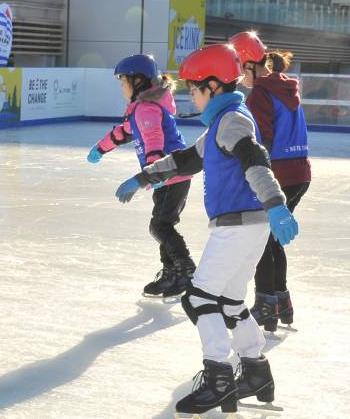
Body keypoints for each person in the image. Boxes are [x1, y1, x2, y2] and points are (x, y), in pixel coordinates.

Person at [115, 44, 299, 416]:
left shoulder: (232, 120)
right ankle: (256, 372)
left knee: (198, 298)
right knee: (230, 303)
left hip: (236, 225)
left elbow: (255, 160)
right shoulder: (226, 119)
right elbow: (187, 159)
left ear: (213, 87)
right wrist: (143, 177)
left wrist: (277, 203)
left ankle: (218, 378)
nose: (191, 98)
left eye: (194, 90)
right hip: (250, 226)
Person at [88, 54, 195, 297]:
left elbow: (154, 143)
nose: (121, 85)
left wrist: (151, 175)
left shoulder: (147, 110)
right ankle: (172, 274)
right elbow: (123, 133)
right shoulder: (141, 109)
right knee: (163, 224)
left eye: (123, 80)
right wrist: (101, 148)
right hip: (166, 177)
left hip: (170, 176)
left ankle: (186, 270)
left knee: (160, 226)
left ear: (138, 81)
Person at [232, 31, 311, 332]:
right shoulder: (286, 87)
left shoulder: (261, 93)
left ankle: (266, 304)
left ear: (251, 65)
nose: (240, 76)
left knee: (261, 240)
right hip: (300, 172)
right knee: (273, 238)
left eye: (240, 68)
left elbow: (262, 138)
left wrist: (247, 169)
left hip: (278, 174)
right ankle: (281, 301)